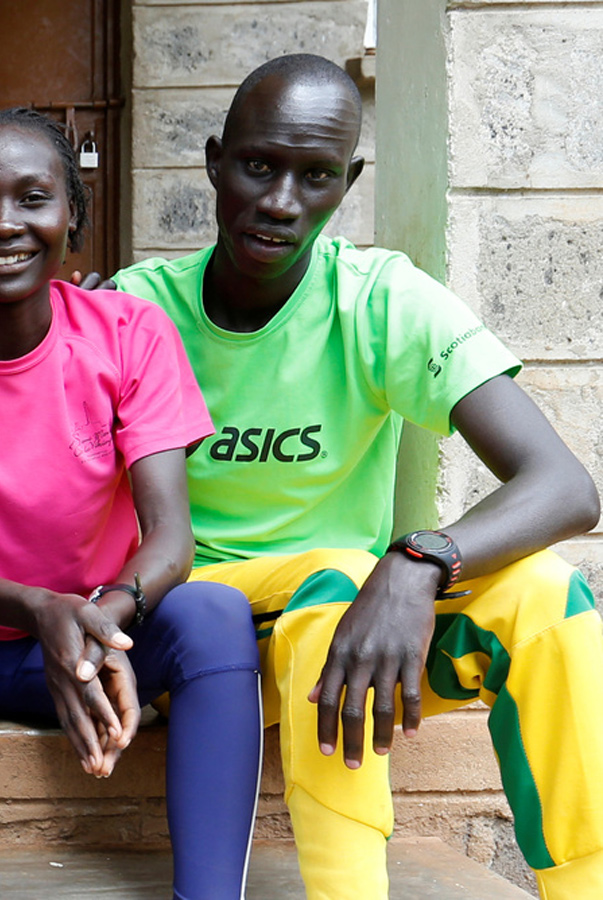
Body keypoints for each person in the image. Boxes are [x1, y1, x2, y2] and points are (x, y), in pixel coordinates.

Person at [111, 54, 603, 898]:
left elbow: (564, 487)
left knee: (549, 597)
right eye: (257, 166)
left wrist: (420, 557)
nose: (280, 201)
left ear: (348, 182)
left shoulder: (378, 299)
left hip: (354, 624)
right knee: (334, 581)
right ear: (214, 162)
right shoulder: (136, 309)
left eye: (315, 176)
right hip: (196, 637)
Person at [0, 107, 261, 900]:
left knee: (212, 613)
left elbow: (170, 538)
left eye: (33, 198)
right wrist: (40, 610)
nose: (4, 224)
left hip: (101, 638)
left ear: (74, 213)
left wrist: (95, 624)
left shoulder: (129, 330)